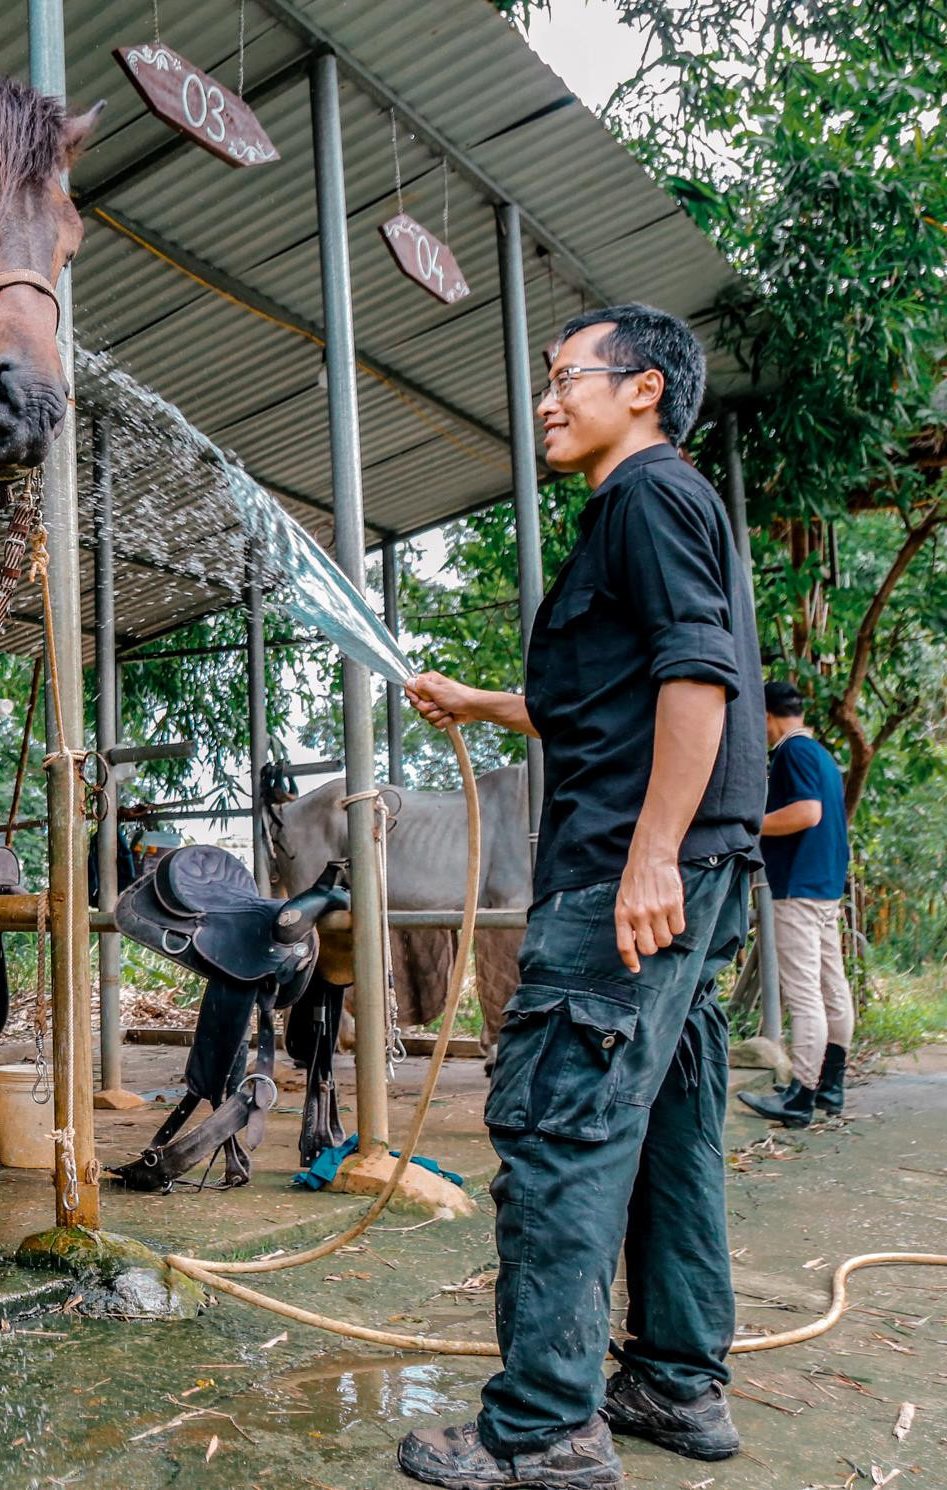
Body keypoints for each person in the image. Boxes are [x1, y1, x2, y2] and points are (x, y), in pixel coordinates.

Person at [396, 304, 765, 1488]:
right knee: (661, 1126)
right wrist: (480, 699)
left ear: (643, 387)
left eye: (566, 378)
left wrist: (647, 851)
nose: (547, 399)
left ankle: (543, 1423)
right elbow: (608, 689)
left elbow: (695, 676)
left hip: (630, 869)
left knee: (558, 1126)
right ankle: (673, 1375)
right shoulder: (663, 506)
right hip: (691, 866)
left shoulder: (642, 498)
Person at [738, 680, 853, 1126]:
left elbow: (807, 813)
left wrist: (751, 825)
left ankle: (800, 1096)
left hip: (798, 888)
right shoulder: (822, 755)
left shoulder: (792, 752)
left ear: (766, 714)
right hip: (825, 886)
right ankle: (831, 1088)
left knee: (804, 995)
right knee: (832, 988)